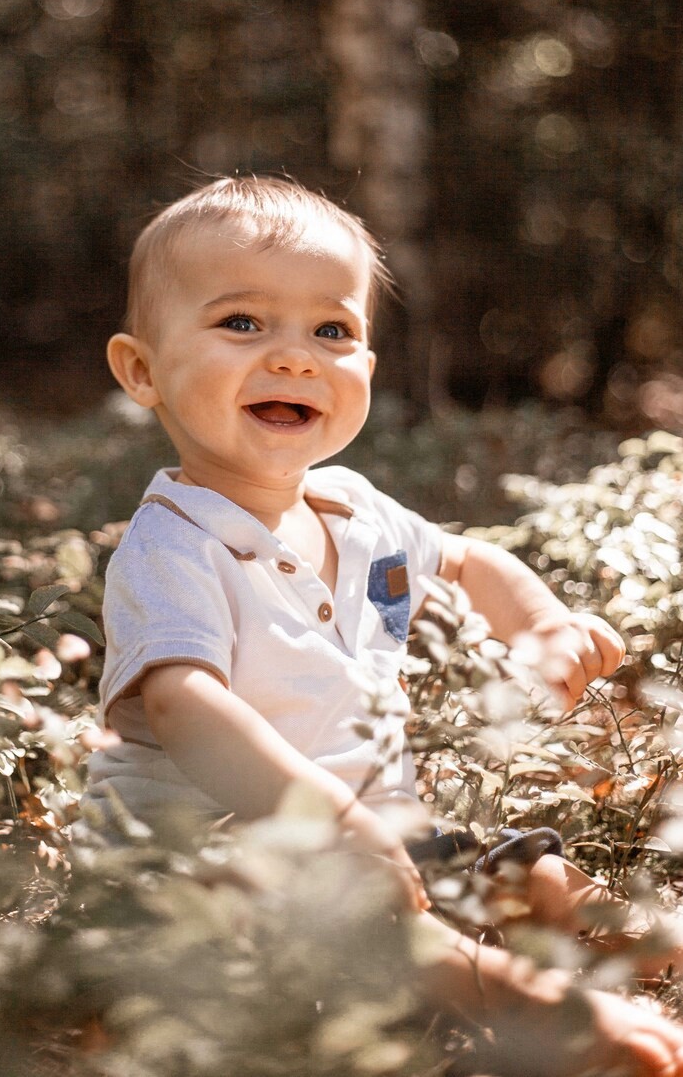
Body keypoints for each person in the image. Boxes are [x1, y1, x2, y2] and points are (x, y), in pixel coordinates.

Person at [88, 174, 683, 1075]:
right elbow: (183, 706)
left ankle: (580, 925)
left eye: (333, 330)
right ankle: (502, 994)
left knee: (517, 870)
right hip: (202, 858)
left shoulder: (351, 504)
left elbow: (471, 559)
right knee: (347, 900)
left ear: (367, 362)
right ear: (141, 370)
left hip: (375, 829)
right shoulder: (173, 548)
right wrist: (324, 816)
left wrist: (545, 623)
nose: (296, 357)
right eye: (242, 322)